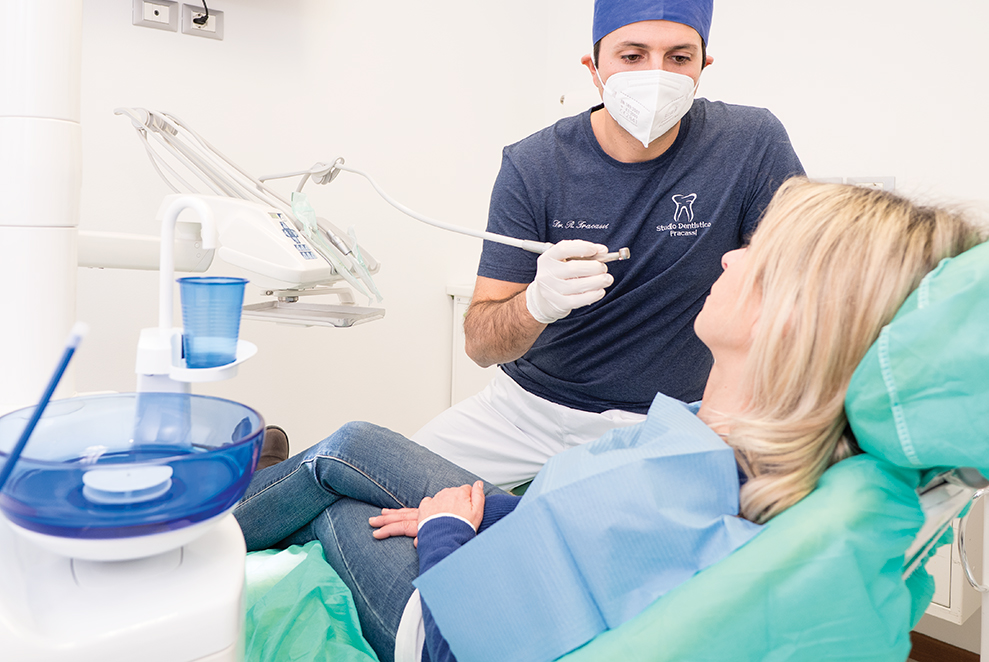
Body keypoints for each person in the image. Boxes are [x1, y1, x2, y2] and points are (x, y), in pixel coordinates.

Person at [234, 179, 984, 662]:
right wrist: (493, 511)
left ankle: (208, 525)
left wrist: (446, 533)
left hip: (436, 625)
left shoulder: (692, 505)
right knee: (353, 447)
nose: (725, 259)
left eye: (754, 254)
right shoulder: (725, 443)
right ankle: (264, 481)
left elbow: (462, 648)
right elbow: (585, 532)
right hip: (514, 537)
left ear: (797, 317)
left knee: (334, 497)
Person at [411, 0, 806, 489]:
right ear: (593, 67)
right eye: (632, 55)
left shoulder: (750, 142)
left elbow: (798, 286)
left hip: (674, 422)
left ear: (703, 66)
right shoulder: (535, 165)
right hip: (526, 415)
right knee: (373, 492)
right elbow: (481, 347)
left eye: (679, 57)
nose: (655, 75)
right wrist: (535, 305)